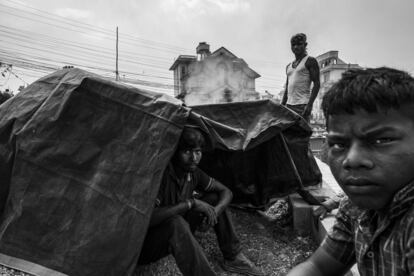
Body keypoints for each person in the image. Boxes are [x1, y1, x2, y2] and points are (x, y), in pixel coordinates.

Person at [287, 67, 414, 276]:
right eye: (338, 144)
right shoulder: (355, 206)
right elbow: (318, 267)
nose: (351, 160)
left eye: (382, 140)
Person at [137, 126, 264, 276]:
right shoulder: (162, 175)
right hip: (146, 245)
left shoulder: (193, 172)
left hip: (181, 231)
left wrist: (214, 212)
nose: (193, 158)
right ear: (175, 152)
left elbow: (226, 192)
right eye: (187, 152)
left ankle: (233, 258)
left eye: (198, 152)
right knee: (175, 222)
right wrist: (191, 203)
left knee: (214, 199)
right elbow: (146, 219)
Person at [282, 33, 320, 122]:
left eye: (299, 44)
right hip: (289, 106)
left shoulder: (310, 61)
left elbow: (317, 84)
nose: (296, 47)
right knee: (288, 134)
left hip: (302, 105)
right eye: (293, 45)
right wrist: (282, 105)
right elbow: (287, 88)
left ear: (305, 45)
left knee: (302, 133)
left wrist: (309, 105)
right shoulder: (288, 66)